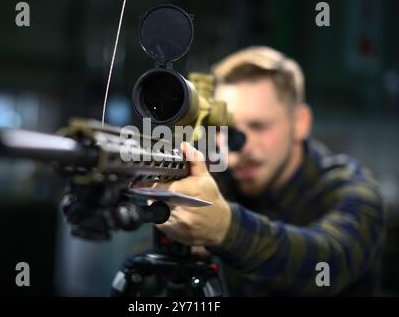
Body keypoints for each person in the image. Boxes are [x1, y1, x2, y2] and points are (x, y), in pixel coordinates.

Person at [153, 46, 386, 296]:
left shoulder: (354, 190)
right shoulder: (215, 179)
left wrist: (224, 227)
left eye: (258, 126)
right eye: (225, 128)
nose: (240, 145)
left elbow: (326, 262)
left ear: (300, 123)